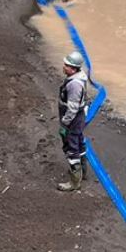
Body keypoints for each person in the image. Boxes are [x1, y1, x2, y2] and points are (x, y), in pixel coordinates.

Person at [56, 50, 93, 193]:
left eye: (66, 65)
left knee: (71, 148)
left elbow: (72, 107)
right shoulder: (80, 78)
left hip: (73, 120)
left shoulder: (74, 84)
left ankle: (74, 181)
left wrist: (65, 123)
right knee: (79, 142)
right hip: (78, 118)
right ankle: (83, 172)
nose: (64, 67)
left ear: (73, 68)